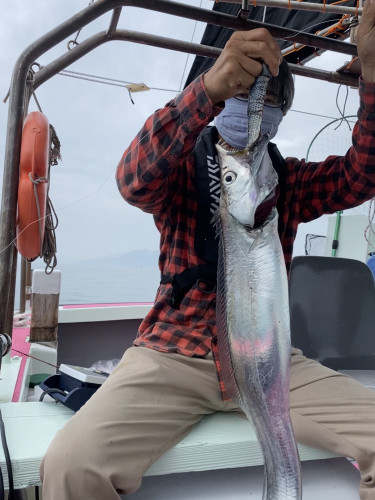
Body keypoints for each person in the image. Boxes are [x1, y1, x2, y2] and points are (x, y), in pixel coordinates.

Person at [40, 2, 375, 498]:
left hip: (271, 362)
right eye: (238, 94)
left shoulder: (288, 184)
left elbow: (361, 174)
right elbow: (132, 178)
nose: (255, 108)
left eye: (270, 99)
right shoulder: (176, 173)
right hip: (174, 354)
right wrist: (207, 91)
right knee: (70, 465)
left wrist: (371, 79)